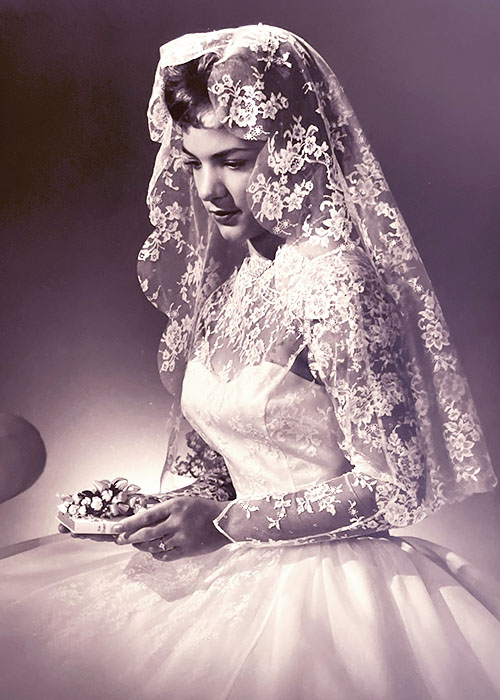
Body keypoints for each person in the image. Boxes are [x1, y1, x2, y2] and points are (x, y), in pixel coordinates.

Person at [1, 23, 500, 700]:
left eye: (235, 160)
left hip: (330, 597)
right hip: (224, 572)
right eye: (193, 161)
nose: (210, 188)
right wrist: (143, 514)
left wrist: (227, 523)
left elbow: (392, 485)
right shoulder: (233, 281)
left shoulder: (336, 280)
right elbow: (205, 469)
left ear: (296, 147)